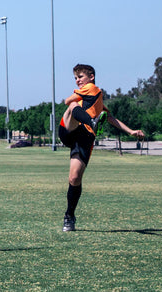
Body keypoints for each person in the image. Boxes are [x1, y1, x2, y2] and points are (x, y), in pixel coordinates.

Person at [58, 64, 145, 232]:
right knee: (73, 106)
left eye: (80, 77)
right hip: (69, 129)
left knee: (74, 178)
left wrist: (131, 131)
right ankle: (91, 122)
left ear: (91, 76)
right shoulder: (89, 92)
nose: (77, 81)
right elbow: (67, 102)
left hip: (84, 137)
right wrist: (76, 99)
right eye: (75, 78)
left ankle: (69, 215)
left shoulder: (94, 92)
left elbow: (111, 118)